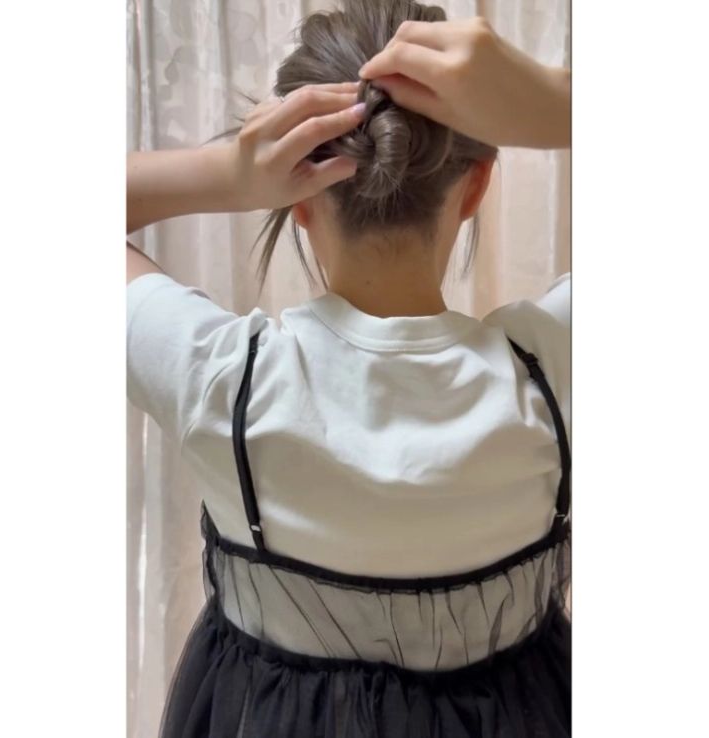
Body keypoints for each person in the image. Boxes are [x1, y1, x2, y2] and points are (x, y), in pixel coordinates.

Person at [126, 0, 571, 735]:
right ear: (476, 187)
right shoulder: (555, 371)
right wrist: (560, 106)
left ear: (298, 201)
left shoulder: (224, 381)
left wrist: (228, 174)